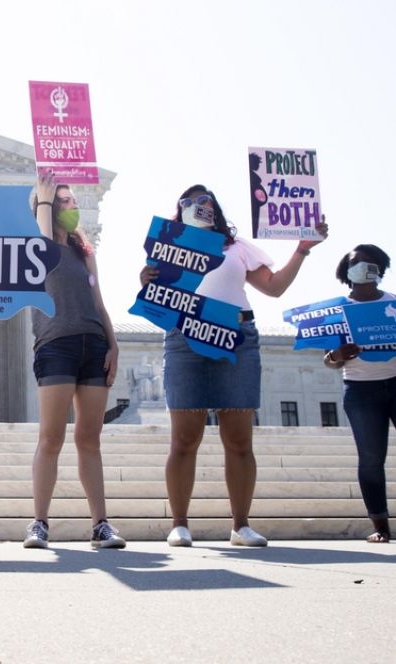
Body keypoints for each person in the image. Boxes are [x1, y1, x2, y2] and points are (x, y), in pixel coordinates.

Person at [140, 185, 327, 547]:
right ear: (179, 210)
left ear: (216, 209)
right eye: (190, 201)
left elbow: (273, 288)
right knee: (184, 438)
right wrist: (145, 282)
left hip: (236, 337)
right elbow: (157, 296)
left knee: (239, 439)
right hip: (186, 337)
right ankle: (179, 523)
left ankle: (241, 525)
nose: (199, 206)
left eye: (205, 200)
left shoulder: (236, 248)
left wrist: (302, 250)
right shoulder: (169, 247)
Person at [23, 173, 125, 549]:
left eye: (72, 201)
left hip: (93, 345)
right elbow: (44, 241)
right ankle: (39, 522)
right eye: (62, 201)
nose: (70, 206)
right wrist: (45, 199)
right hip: (55, 344)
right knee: (51, 437)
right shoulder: (40, 247)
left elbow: (98, 303)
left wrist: (113, 345)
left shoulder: (84, 253)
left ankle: (101, 524)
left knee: (89, 440)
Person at [323, 244, 394, 543]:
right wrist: (338, 354)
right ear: (346, 272)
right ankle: (380, 526)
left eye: (369, 261)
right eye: (356, 262)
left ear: (380, 268)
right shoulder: (337, 310)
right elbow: (327, 360)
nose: (363, 265)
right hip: (360, 389)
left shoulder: (394, 303)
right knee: (370, 459)